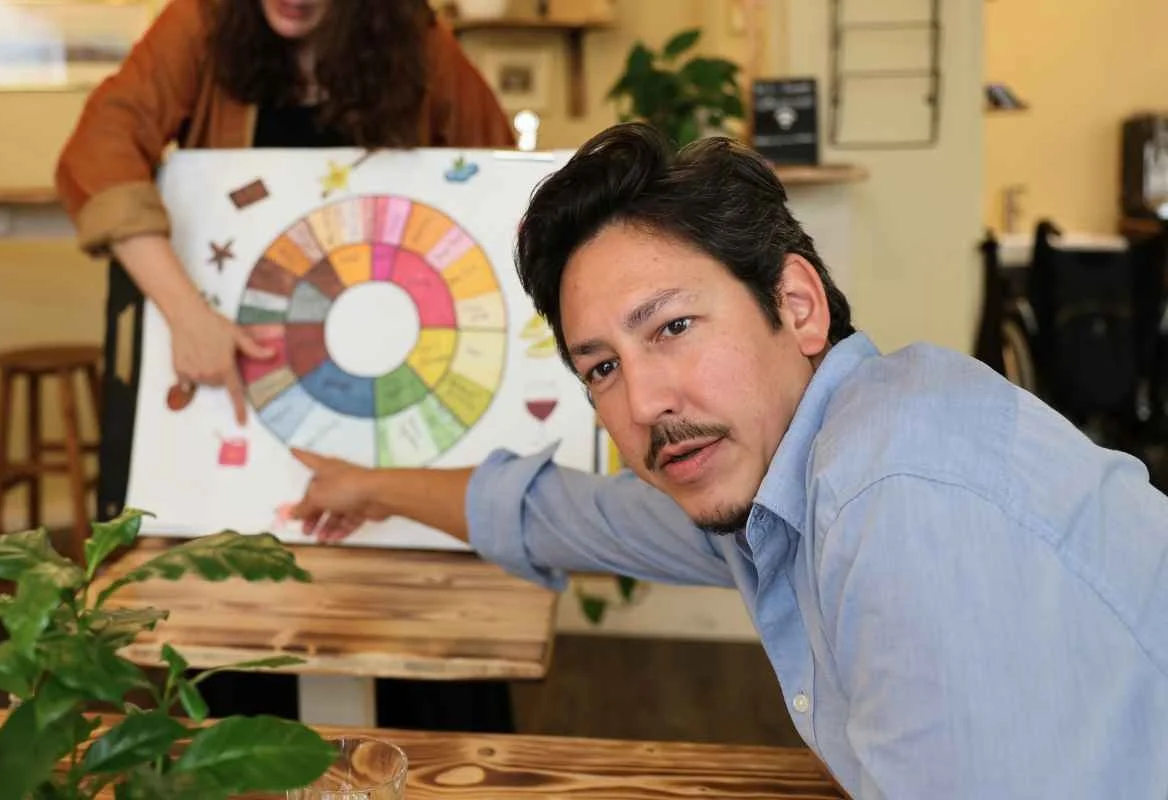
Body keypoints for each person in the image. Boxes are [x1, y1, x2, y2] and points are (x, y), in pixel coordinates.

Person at [289, 122, 1168, 799]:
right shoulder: (796, 464)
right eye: (602, 367)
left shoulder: (896, 499)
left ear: (797, 305)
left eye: (672, 327)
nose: (642, 406)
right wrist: (366, 485)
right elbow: (568, 515)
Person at [54, 0, 517, 730]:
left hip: (397, 403)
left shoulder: (417, 39)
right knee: (239, 659)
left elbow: (504, 181)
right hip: (239, 395)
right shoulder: (200, 25)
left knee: (421, 672)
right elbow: (98, 148)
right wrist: (185, 311)